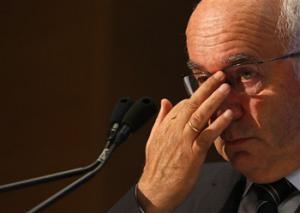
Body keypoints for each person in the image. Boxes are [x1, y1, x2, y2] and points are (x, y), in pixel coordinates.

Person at [110, 0, 300, 212]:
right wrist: (149, 199)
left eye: (246, 74)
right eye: (203, 79)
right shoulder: (174, 198)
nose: (222, 111)